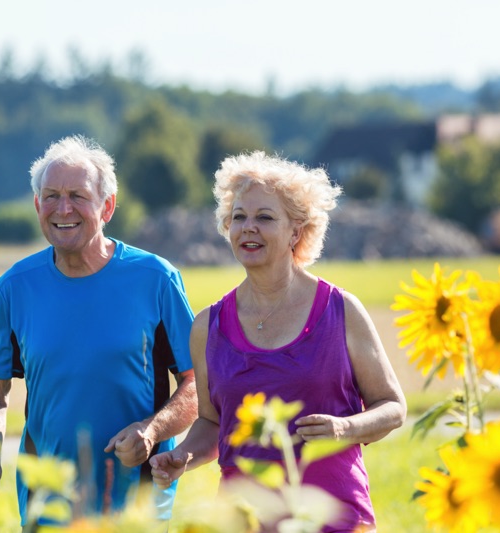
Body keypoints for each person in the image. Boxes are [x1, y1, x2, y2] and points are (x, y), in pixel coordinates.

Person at [149, 151, 407, 532]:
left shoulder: (340, 310)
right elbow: (211, 421)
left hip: (333, 519)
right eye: (239, 217)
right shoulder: (208, 326)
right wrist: (184, 455)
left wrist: (344, 429)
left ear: (296, 232)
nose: (248, 227)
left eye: (265, 217)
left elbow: (393, 407)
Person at [0, 135, 197, 526]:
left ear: (107, 207)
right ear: (38, 206)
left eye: (77, 195)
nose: (63, 208)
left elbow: (197, 384)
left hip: (137, 499)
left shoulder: (156, 279)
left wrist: (151, 429)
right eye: (51, 196)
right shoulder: (15, 287)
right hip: (47, 496)